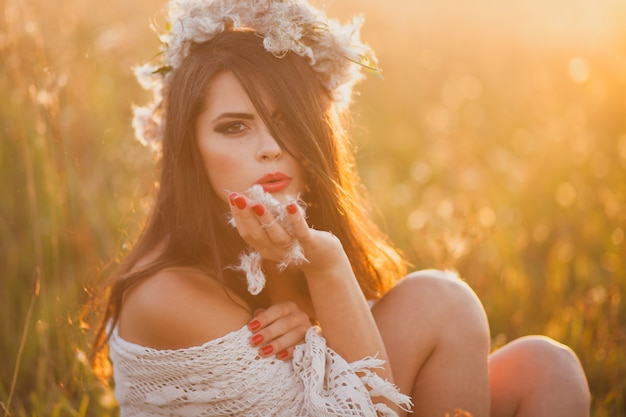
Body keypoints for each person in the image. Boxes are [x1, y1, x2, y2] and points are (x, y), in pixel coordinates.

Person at [90, 0, 591, 416]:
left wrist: (311, 313)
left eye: (288, 120)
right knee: (441, 303)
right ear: (189, 150)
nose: (270, 147)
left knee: (545, 368)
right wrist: (327, 271)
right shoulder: (166, 294)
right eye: (234, 127)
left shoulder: (282, 247)